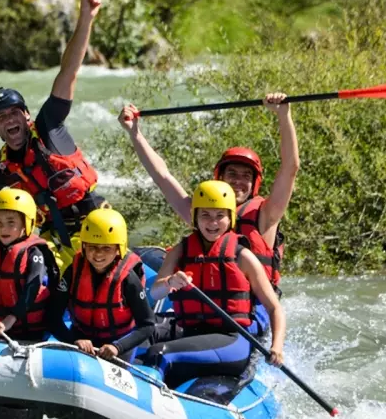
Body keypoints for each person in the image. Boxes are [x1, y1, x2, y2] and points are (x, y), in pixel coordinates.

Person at [0, 0, 105, 272]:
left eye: (15, 113)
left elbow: (69, 71)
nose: (10, 120)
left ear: (27, 116)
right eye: (2, 117)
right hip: (55, 238)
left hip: (96, 225)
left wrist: (85, 19)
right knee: (27, 261)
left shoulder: (49, 126)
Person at [117, 94, 299, 328]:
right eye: (232, 174)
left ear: (254, 183)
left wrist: (284, 116)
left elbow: (290, 168)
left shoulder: (266, 214)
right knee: (139, 256)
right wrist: (134, 133)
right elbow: (162, 176)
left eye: (246, 176)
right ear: (220, 178)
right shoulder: (203, 211)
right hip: (208, 302)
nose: (238, 181)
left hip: (251, 308)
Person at [143, 181, 286, 388]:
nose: (213, 222)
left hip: (231, 340)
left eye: (220, 215)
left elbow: (274, 308)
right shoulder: (181, 250)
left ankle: (147, 390)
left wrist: (277, 347)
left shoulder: (243, 257)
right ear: (195, 217)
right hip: (191, 331)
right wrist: (170, 282)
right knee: (138, 330)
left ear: (230, 218)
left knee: (159, 353)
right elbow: (155, 293)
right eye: (205, 215)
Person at [47, 209, 155, 361]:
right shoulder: (74, 271)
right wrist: (73, 340)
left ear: (118, 249)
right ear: (84, 246)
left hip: (118, 345)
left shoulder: (128, 279)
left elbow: (147, 325)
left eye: (106, 248)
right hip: (80, 341)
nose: (98, 254)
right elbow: (52, 317)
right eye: (92, 247)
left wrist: (117, 347)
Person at [0, 187, 60, 342]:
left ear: (26, 223)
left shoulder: (35, 253)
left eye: (11, 223)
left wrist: (10, 319)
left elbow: (32, 289)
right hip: (0, 328)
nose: (3, 229)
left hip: (32, 331)